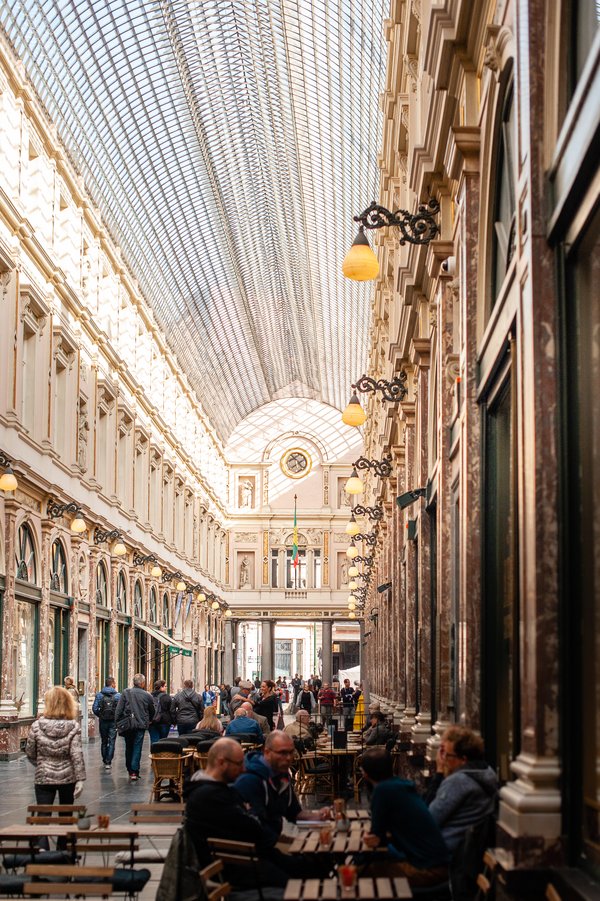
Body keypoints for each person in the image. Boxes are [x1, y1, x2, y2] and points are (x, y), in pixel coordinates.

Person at [185, 738, 321, 888]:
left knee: (310, 865)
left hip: (246, 859)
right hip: (237, 868)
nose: (243, 769)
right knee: (305, 874)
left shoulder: (216, 791)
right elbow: (252, 829)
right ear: (222, 762)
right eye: (239, 764)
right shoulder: (210, 795)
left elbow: (252, 825)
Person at [361, 747, 450, 887]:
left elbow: (377, 839)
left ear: (365, 774)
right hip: (439, 862)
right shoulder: (401, 785)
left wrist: (373, 837)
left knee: (360, 872)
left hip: (426, 869)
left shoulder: (382, 791)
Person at [234, 731, 330, 845]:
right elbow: (257, 830)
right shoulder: (250, 781)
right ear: (267, 752)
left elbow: (294, 813)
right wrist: (292, 843)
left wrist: (318, 816)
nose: (289, 758)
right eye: (283, 753)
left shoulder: (281, 774)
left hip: (273, 841)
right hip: (257, 851)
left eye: (291, 752)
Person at [427, 726, 498, 854]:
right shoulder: (486, 773)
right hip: (463, 851)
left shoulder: (458, 782)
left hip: (445, 854)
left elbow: (429, 820)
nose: (444, 760)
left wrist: (439, 772)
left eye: (448, 755)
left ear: (463, 760)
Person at [26, 686, 86, 805]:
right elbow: (76, 755)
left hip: (43, 776)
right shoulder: (73, 726)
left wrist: (43, 764)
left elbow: (30, 752)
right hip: (68, 776)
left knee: (43, 814)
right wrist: (80, 779)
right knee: (66, 815)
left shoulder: (36, 726)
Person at [114, 673, 155, 781]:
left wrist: (117, 722)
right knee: (137, 747)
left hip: (128, 725)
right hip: (141, 725)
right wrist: (149, 720)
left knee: (129, 746)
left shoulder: (126, 693)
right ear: (142, 683)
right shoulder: (147, 695)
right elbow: (152, 710)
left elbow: (119, 709)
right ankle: (134, 771)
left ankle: (130, 769)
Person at [92, 675, 121, 769]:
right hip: (113, 722)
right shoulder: (118, 696)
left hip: (103, 721)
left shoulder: (99, 695)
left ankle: (104, 759)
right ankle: (109, 761)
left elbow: (95, 708)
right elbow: (121, 709)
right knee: (112, 740)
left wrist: (100, 716)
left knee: (104, 741)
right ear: (112, 684)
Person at [149, 679, 172, 745]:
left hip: (152, 722)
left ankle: (154, 753)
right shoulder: (167, 697)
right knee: (163, 740)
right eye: (165, 686)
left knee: (154, 740)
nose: (166, 687)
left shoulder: (150, 696)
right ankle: (161, 754)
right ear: (161, 687)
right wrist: (173, 721)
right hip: (164, 722)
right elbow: (171, 710)